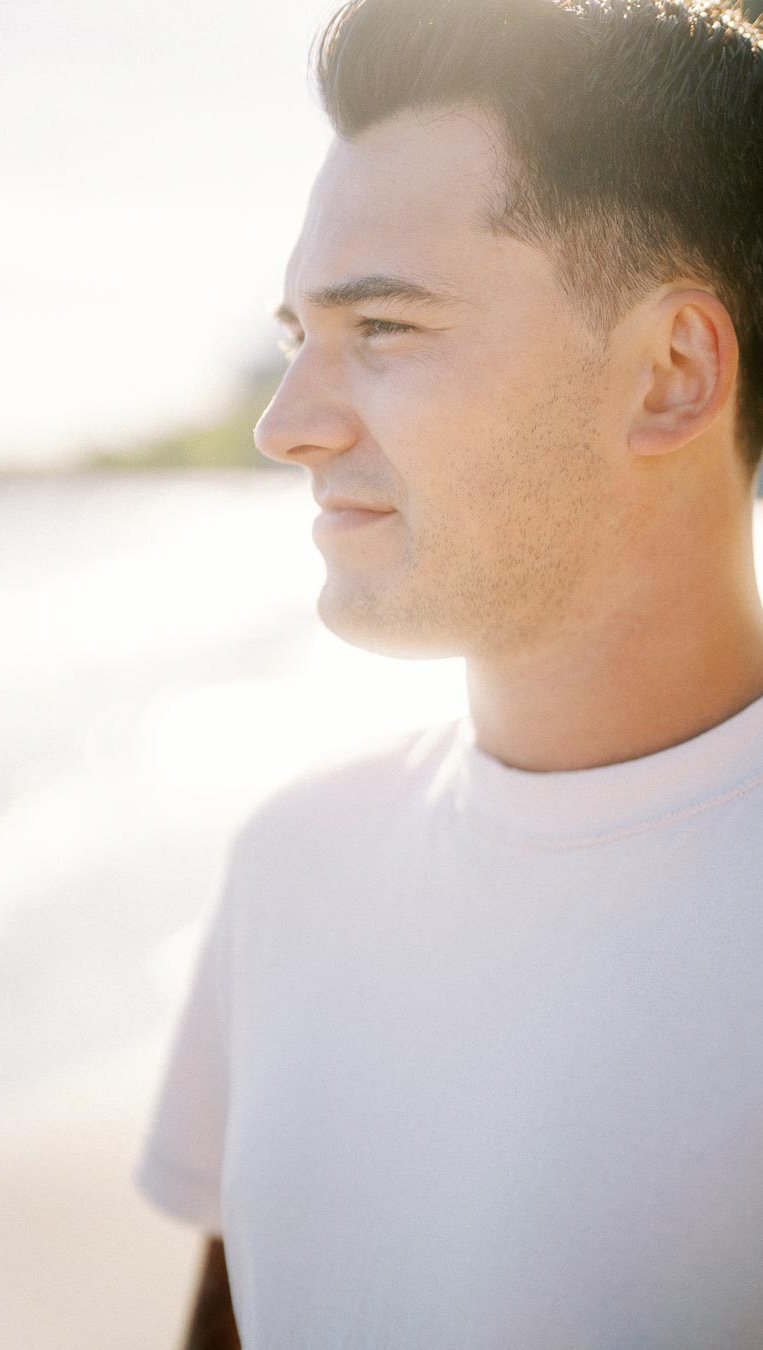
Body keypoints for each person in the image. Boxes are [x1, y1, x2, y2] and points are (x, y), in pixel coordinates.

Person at [135, 0, 763, 1343]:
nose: (284, 423)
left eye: (386, 330)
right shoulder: (291, 863)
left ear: (669, 373)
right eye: (299, 334)